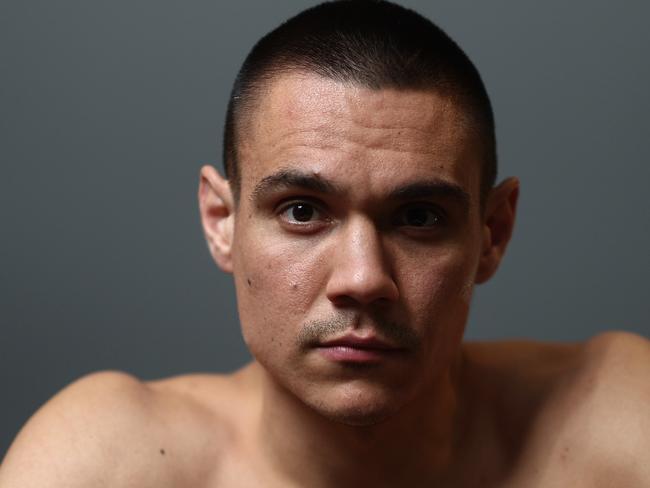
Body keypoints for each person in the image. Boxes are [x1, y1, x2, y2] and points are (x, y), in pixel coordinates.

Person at [1, 1, 648, 486]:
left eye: (419, 217)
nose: (364, 279)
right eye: (303, 211)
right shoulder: (109, 464)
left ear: (492, 233)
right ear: (221, 220)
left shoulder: (613, 426)